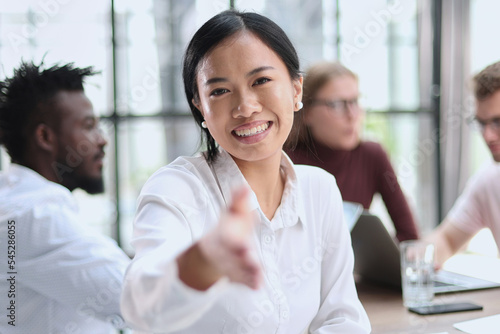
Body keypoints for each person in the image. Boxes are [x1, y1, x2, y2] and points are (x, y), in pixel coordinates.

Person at [121, 10, 371, 334]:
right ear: (200, 107)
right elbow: (139, 306)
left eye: (261, 81)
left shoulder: (320, 189)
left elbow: (343, 318)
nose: (246, 107)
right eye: (220, 91)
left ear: (297, 91)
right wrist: (197, 267)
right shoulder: (176, 189)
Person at [0, 61, 130, 333]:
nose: (102, 140)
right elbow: (140, 296)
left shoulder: (17, 202)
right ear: (45, 137)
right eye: (88, 125)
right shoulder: (34, 216)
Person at [286, 61, 419, 242]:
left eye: (355, 101)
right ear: (306, 112)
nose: (352, 115)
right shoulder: (284, 159)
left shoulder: (372, 155)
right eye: (336, 104)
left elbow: (410, 238)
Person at [426, 60, 500, 267]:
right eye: (481, 123)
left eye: (498, 122)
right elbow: (447, 240)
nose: (488, 136)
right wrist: (417, 256)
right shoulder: (489, 180)